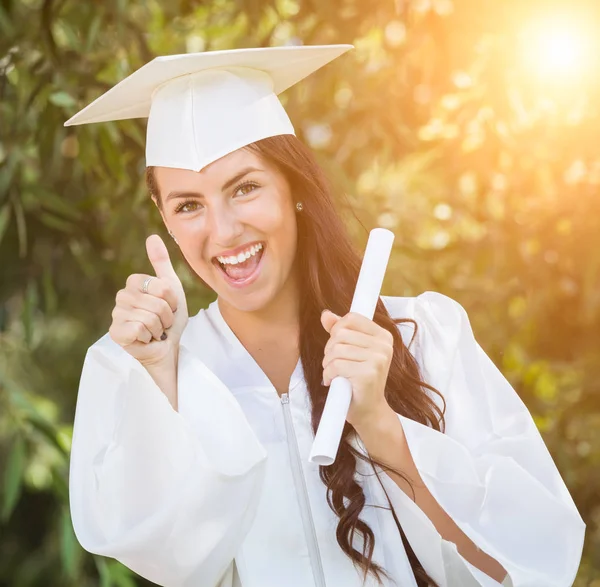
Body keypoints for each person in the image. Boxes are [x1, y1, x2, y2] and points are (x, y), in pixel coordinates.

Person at [66, 45, 585, 587]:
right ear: (165, 220)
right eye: (188, 205)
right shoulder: (156, 367)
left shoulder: (424, 337)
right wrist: (159, 381)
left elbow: (528, 565)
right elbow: (164, 561)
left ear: (294, 189)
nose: (222, 233)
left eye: (245, 188)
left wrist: (381, 424)